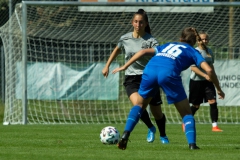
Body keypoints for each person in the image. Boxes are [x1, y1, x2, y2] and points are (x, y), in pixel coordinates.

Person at [112, 27, 225, 150]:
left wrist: (125, 66)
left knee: (139, 105)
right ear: (194, 41)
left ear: (180, 37)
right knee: (187, 113)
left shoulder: (168, 45)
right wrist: (218, 88)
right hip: (168, 73)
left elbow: (143, 52)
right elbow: (208, 69)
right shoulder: (193, 51)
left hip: (150, 69)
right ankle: (192, 144)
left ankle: (126, 134)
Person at [102, 9, 169, 144]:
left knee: (157, 113)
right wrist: (107, 65)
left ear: (145, 24)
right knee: (138, 106)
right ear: (132, 22)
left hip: (149, 78)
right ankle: (151, 128)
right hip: (131, 78)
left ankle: (163, 134)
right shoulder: (125, 38)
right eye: (136, 22)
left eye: (141, 22)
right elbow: (117, 49)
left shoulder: (151, 41)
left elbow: (160, 56)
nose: (138, 24)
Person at [189, 31, 223, 132]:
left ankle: (215, 126)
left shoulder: (210, 52)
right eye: (202, 39)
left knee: (213, 101)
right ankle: (186, 121)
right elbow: (193, 68)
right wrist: (204, 75)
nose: (205, 41)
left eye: (206, 39)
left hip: (207, 82)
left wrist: (217, 85)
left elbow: (211, 67)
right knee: (196, 105)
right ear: (198, 40)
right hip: (196, 81)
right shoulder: (195, 51)